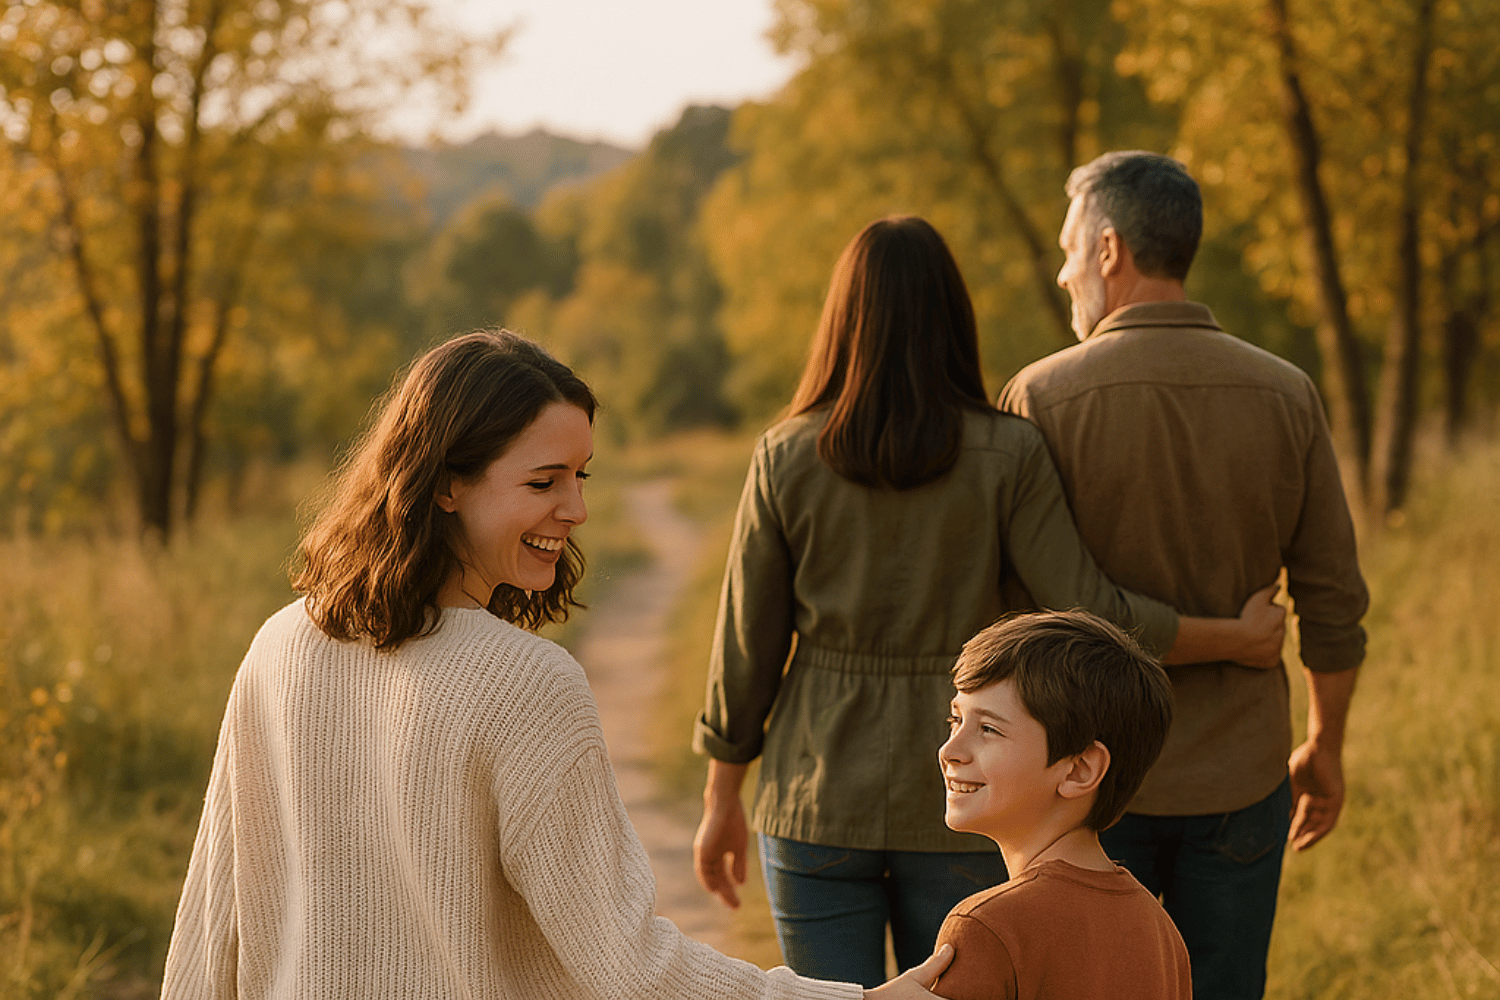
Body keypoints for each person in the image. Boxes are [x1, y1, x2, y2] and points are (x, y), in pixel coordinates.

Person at [159, 329, 954, 1000]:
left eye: (581, 476)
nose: (574, 510)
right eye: (543, 481)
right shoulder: (526, 684)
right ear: (445, 485)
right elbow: (629, 968)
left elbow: (208, 935)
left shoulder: (279, 643)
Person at [691, 216, 1285, 989]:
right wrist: (1231, 638)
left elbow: (747, 651)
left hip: (817, 790)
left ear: (841, 320)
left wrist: (720, 801)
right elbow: (1090, 607)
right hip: (970, 780)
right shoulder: (1008, 453)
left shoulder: (786, 455)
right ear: (953, 319)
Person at [998, 151, 1370, 999]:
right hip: (1241, 778)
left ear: (1109, 250)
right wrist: (1326, 746)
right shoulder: (1287, 392)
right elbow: (1334, 603)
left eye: (1069, 250)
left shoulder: (1040, 397)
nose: (1062, 274)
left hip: (1084, 784)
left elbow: (1025, 604)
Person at [933, 610, 1190, 1000]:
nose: (950, 750)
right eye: (955, 720)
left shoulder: (985, 927)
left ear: (1079, 770)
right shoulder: (1159, 930)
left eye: (988, 729)